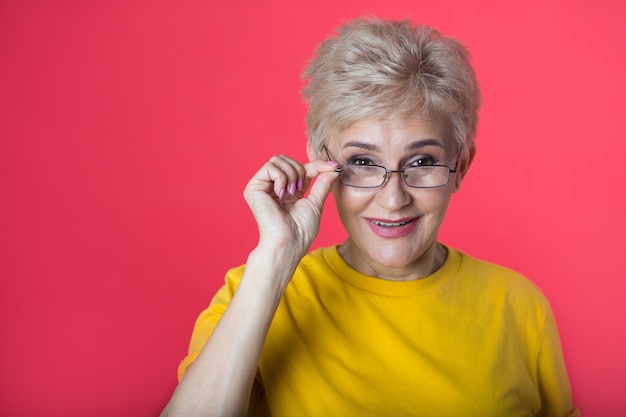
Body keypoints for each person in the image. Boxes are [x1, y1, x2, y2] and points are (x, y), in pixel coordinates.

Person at [160, 17, 579, 417]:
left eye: (421, 161)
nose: (393, 199)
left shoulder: (520, 306)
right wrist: (274, 258)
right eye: (362, 160)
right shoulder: (256, 293)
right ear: (321, 162)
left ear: (461, 166)